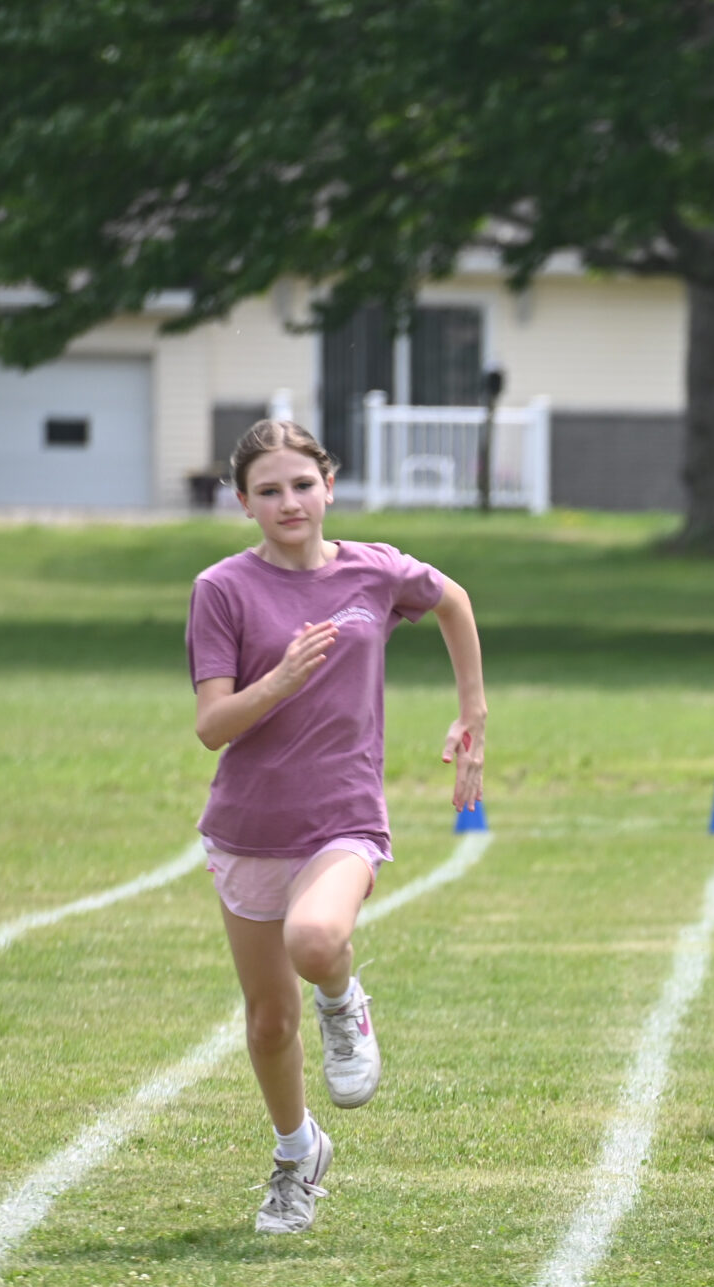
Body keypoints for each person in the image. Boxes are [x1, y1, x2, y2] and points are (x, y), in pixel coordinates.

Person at [188, 420, 488, 1236]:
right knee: (267, 1022)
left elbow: (452, 599)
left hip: (344, 816)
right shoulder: (222, 588)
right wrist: (280, 679)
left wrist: (473, 713)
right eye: (269, 490)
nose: (289, 502)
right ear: (244, 502)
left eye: (302, 484)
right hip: (248, 825)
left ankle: (343, 1001)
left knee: (316, 941)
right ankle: (297, 1155)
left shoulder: (375, 570)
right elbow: (214, 726)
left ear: (329, 484)